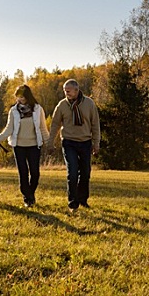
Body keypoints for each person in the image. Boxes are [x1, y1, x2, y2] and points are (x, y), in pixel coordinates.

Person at [0, 85, 49, 207]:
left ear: (27, 96)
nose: (19, 99)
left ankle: (30, 194)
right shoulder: (14, 111)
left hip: (34, 145)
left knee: (35, 173)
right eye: (18, 97)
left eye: (22, 97)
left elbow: (43, 128)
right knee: (23, 172)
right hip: (19, 146)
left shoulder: (38, 109)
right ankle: (27, 199)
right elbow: (9, 129)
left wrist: (49, 143)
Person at [48, 79, 100, 212]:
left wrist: (96, 143)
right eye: (65, 91)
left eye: (69, 91)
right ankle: (73, 203)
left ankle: (83, 200)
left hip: (85, 142)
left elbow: (95, 125)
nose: (66, 93)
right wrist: (50, 142)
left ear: (77, 90)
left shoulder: (89, 104)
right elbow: (55, 125)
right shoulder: (62, 105)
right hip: (69, 142)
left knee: (85, 173)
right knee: (72, 172)